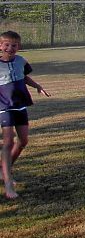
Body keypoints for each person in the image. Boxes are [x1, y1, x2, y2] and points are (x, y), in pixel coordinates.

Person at [0, 31, 50, 199]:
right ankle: (8, 184)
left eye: (14, 45)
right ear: (0, 46)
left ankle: (3, 170)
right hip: (4, 107)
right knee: (8, 142)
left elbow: (24, 77)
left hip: (20, 106)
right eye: (6, 45)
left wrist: (37, 86)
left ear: (19, 47)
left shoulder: (21, 61)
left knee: (23, 141)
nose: (10, 48)